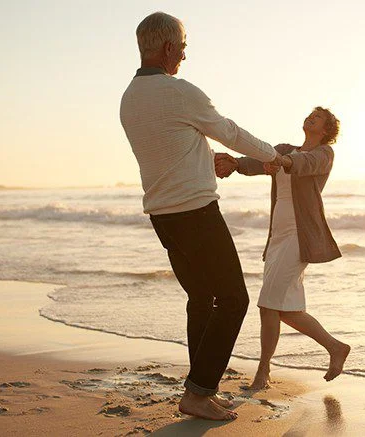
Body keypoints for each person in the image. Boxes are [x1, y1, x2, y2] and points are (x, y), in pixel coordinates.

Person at [119, 11, 282, 421]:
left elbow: (169, 154)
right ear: (169, 47)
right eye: (184, 48)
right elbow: (231, 130)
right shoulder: (179, 91)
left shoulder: (129, 98)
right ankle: (198, 392)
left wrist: (211, 162)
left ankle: (200, 389)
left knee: (202, 298)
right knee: (234, 299)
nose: (185, 57)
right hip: (196, 214)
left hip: (163, 217)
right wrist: (275, 157)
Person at [214, 107, 350, 390]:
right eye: (310, 115)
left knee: (268, 304)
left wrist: (280, 161)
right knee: (281, 309)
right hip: (277, 236)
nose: (311, 118)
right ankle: (335, 347)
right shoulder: (285, 149)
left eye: (318, 118)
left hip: (300, 237)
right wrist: (235, 163)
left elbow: (305, 163)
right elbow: (257, 161)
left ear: (325, 131)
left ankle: (263, 373)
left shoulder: (324, 154)